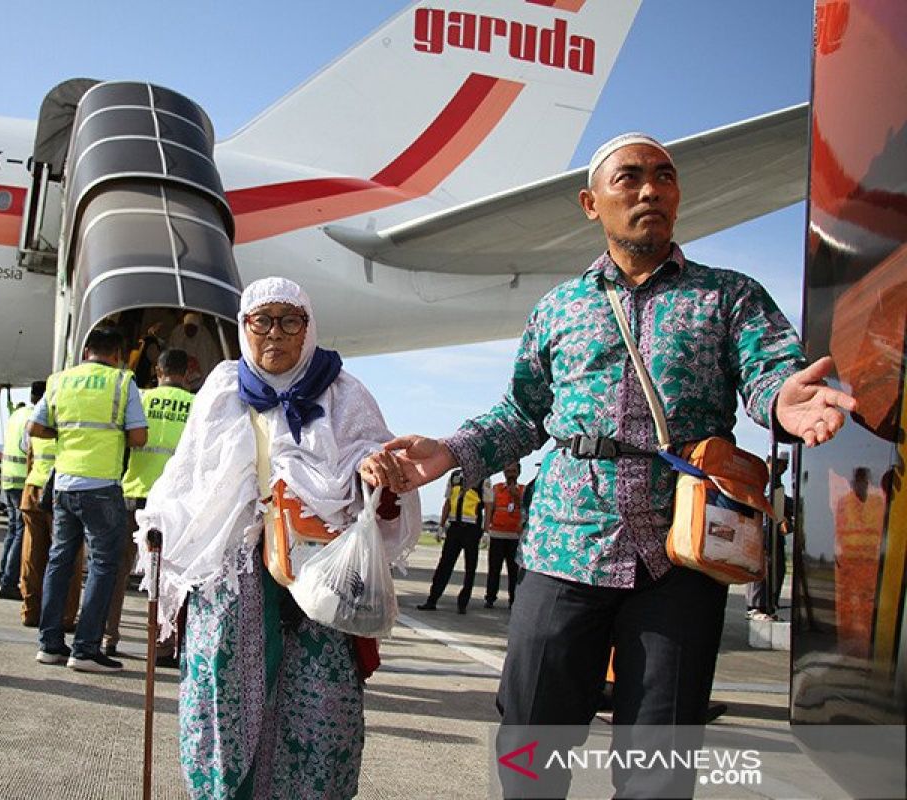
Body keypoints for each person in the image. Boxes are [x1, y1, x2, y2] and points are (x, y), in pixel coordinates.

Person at [361, 132, 857, 798]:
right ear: (591, 203)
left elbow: (772, 376)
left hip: (679, 562)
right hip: (565, 548)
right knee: (531, 744)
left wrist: (783, 401)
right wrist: (449, 451)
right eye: (629, 178)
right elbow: (519, 416)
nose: (650, 189)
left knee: (659, 769)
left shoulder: (728, 297)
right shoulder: (559, 308)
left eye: (665, 176)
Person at [136, 277, 421, 799]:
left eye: (290, 321)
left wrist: (376, 470)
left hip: (320, 576)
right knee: (224, 706)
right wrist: (161, 522)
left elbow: (375, 462)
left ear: (308, 329)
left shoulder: (344, 392)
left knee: (320, 711)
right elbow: (189, 476)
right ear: (244, 327)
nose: (275, 334)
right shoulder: (222, 389)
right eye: (261, 321)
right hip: (233, 577)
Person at [27, 327, 148, 674]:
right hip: (101, 486)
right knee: (103, 566)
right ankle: (85, 649)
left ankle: (49, 645)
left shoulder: (59, 380)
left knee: (60, 561)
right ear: (117, 355)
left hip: (63, 484)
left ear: (86, 352)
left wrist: (65, 433)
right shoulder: (123, 383)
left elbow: (35, 429)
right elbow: (138, 437)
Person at [104, 348, 194, 666]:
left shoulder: (140, 398)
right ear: (188, 373)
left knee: (117, 568)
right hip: (174, 501)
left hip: (134, 492)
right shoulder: (196, 405)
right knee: (168, 575)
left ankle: (107, 637)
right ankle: (164, 646)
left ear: (157, 370)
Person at [18, 380, 82, 630]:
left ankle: (30, 611)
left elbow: (28, 456)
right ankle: (65, 617)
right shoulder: (71, 427)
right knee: (69, 557)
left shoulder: (34, 425)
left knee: (32, 557)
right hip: (61, 491)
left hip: (33, 489)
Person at [416, 469, 486, 613]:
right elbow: (448, 501)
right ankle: (432, 599)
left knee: (470, 567)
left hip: (472, 527)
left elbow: (489, 505)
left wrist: (486, 531)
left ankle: (463, 603)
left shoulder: (483, 477)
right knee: (444, 564)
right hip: (454, 527)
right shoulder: (454, 476)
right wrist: (441, 525)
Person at [834, 466, 885, 657]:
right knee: (847, 608)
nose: (860, 485)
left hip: (869, 564)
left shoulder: (877, 503)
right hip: (848, 564)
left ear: (867, 482)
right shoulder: (844, 503)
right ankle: (846, 647)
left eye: (863, 481)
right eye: (857, 481)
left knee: (866, 608)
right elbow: (839, 533)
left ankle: (864, 648)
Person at [0, 397, 33, 601]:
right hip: (20, 481)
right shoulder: (33, 416)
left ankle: (1, 579)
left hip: (7, 480)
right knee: (21, 532)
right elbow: (28, 447)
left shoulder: (17, 414)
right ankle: (8, 582)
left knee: (12, 531)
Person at [746, 454, 791, 621]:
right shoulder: (764, 478)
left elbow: (782, 502)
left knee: (777, 569)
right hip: (763, 529)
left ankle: (769, 606)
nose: (785, 468)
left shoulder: (777, 481)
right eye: (783, 465)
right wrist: (781, 518)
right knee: (763, 568)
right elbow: (767, 501)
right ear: (773, 462)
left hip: (773, 531)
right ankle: (755, 607)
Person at [484, 461, 525, 609]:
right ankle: (490, 598)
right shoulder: (496, 489)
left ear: (518, 472)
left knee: (514, 571)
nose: (510, 474)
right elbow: (490, 509)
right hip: (497, 535)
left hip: (514, 536)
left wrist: (516, 496)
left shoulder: (523, 490)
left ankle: (513, 600)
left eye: (513, 471)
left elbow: (526, 510)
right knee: (494, 569)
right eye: (508, 471)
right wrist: (486, 530)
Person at [167, 311, 222, 391]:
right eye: (187, 328)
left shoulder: (205, 337)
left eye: (192, 328)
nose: (190, 331)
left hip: (202, 384)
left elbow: (212, 359)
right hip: (180, 383)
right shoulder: (177, 334)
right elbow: (171, 353)